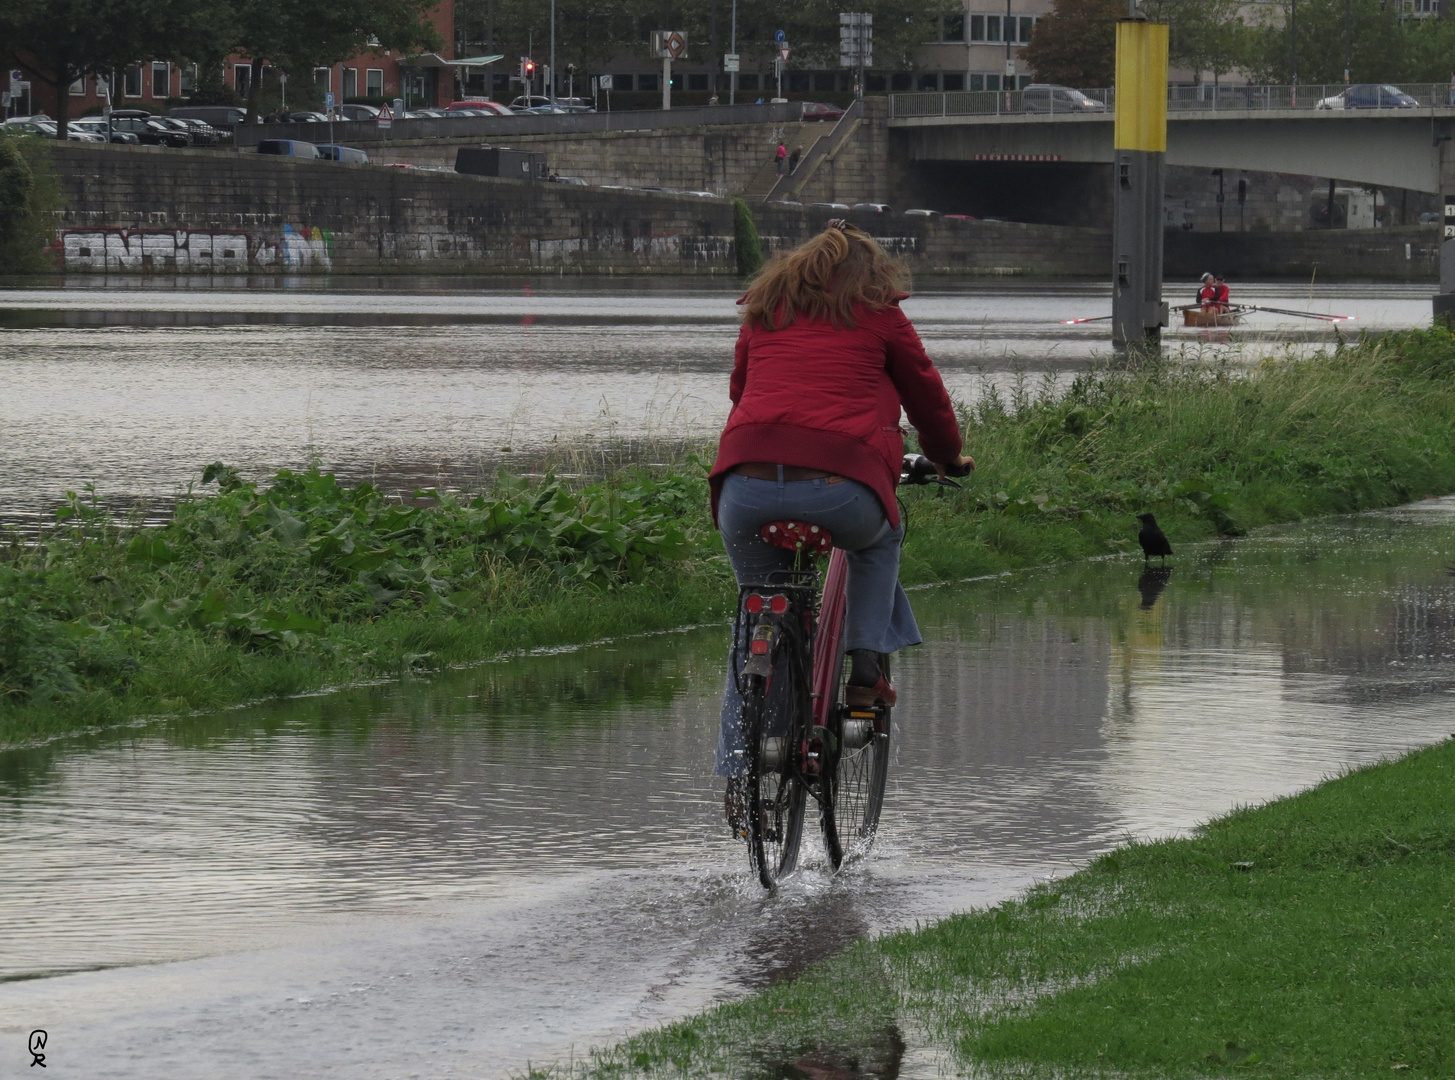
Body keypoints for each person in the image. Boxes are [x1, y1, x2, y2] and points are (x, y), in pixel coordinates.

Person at [708, 221, 973, 789]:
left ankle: (739, 777)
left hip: (745, 484)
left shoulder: (764, 310)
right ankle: (865, 668)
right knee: (878, 540)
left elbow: (741, 392)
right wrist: (947, 457)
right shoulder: (880, 315)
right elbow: (927, 395)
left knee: (756, 616)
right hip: (842, 487)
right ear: (873, 275)